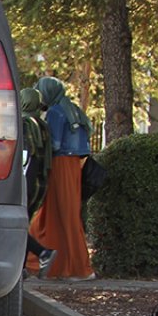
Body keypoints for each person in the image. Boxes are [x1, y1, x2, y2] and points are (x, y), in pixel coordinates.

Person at [28, 76, 95, 280]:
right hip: (74, 165)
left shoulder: (56, 112)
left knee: (60, 214)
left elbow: (55, 143)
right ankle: (67, 265)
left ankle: (72, 267)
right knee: (66, 213)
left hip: (60, 165)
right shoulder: (73, 109)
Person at [20, 88, 56, 278]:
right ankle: (22, 268)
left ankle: (42, 252)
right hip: (40, 182)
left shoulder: (25, 124)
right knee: (23, 223)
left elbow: (26, 157)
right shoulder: (42, 125)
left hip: (26, 182)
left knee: (17, 226)